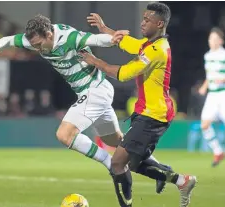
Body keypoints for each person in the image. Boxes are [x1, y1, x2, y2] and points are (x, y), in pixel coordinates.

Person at [0, 14, 170, 193]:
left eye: (40, 45)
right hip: (98, 90)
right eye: (34, 46)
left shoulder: (69, 37)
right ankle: (161, 171)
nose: (38, 49)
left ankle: (110, 165)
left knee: (65, 134)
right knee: (116, 141)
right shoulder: (33, 39)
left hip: (94, 91)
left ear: (49, 34)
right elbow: (8, 39)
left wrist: (112, 39)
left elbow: (95, 40)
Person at [80, 3, 197, 207]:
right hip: (147, 112)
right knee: (132, 163)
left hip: (154, 115)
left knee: (117, 163)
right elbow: (126, 43)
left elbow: (123, 73)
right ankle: (179, 180)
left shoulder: (156, 50)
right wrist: (105, 29)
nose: (142, 23)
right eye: (143, 18)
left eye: (147, 20)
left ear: (160, 24)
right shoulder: (148, 44)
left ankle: (166, 183)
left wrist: (94, 61)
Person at [198, 27, 225, 168]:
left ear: (221, 41)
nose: (212, 41)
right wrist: (205, 86)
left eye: (215, 39)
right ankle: (218, 152)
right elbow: (210, 75)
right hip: (213, 95)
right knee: (204, 125)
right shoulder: (207, 56)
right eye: (210, 39)